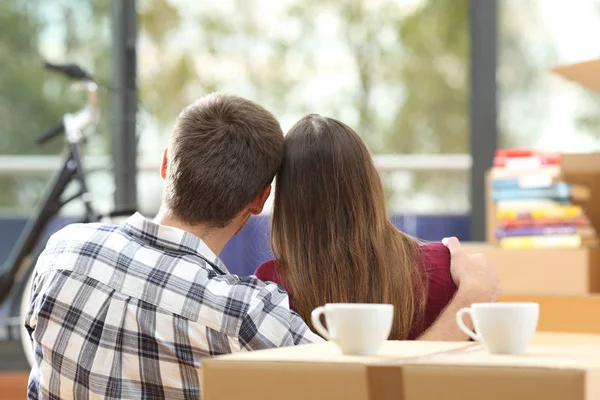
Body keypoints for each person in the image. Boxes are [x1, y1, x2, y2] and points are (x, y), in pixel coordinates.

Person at [25, 95, 499, 399]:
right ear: (259, 200)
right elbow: (371, 389)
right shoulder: (245, 313)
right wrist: (471, 294)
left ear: (166, 164)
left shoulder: (63, 252)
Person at [255, 114, 500, 340]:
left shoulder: (272, 289)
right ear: (370, 183)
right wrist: (472, 292)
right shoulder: (448, 271)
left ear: (285, 202)